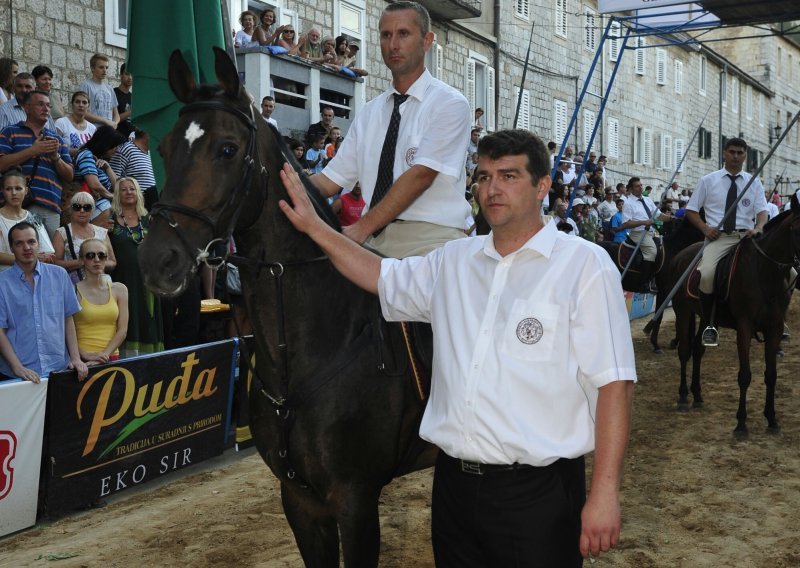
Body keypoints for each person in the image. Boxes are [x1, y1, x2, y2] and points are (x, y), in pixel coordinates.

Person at [277, 128, 635, 566]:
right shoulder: (451, 261)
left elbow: (614, 385)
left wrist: (604, 494)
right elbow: (378, 275)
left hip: (538, 496)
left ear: (543, 185)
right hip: (454, 491)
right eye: (483, 177)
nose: (492, 188)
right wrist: (316, 227)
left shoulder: (584, 266)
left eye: (509, 176)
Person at [308, 2, 471, 258]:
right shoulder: (369, 112)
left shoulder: (449, 104)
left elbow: (421, 176)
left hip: (432, 239)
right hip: (373, 239)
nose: (393, 44)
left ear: (427, 40)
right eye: (386, 35)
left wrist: (360, 229)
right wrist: (280, 183)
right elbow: (329, 180)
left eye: (403, 34)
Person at [685, 137, 768, 346]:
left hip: (746, 237)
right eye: (732, 152)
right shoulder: (708, 180)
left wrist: (758, 228)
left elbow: (762, 212)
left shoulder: (753, 181)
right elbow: (691, 210)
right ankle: (709, 324)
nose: (736, 156)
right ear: (724, 153)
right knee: (707, 274)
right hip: (719, 237)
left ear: (745, 155)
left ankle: (775, 320)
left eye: (740, 153)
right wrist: (705, 228)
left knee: (787, 272)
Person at [0, 221, 88, 383]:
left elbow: (68, 319)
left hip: (59, 369)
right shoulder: (2, 283)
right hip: (18, 376)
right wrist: (17, 367)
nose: (27, 248)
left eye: (31, 242)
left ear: (39, 244)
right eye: (19, 243)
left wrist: (75, 358)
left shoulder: (60, 275)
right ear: (11, 248)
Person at [0, 89, 74, 237]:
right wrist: (33, 150)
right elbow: (1, 164)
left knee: (50, 256)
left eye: (48, 105)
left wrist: (55, 157)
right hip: (19, 205)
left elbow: (70, 175)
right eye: (40, 104)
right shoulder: (10, 131)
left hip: (51, 206)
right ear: (26, 107)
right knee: (21, 250)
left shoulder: (57, 139)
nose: (46, 108)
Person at [108, 177, 164, 357]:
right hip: (122, 279)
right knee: (126, 318)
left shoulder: (149, 219)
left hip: (147, 281)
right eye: (124, 189)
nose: (128, 192)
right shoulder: (110, 218)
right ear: (117, 194)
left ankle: (151, 360)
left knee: (148, 318)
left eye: (132, 189)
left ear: (138, 192)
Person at [73, 238, 128, 364]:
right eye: (90, 255)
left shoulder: (120, 289)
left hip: (111, 357)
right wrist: (85, 355)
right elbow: (66, 331)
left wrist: (103, 356)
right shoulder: (72, 290)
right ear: (82, 260)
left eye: (101, 255)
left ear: (107, 258)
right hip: (83, 360)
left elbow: (122, 330)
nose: (96, 260)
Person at [619, 177, 673, 291]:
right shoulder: (628, 203)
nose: (640, 187)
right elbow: (626, 223)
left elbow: (659, 215)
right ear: (631, 189)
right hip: (638, 233)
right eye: (637, 186)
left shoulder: (647, 200)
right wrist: (644, 222)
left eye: (641, 185)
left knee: (663, 248)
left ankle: (658, 277)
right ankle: (644, 282)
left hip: (651, 232)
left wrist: (672, 218)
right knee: (651, 251)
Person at [53, 192, 117, 283]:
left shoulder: (102, 232)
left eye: (87, 207)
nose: (82, 211)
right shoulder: (61, 233)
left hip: (100, 285)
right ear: (71, 210)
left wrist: (96, 263)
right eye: (77, 207)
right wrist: (83, 262)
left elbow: (112, 261)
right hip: (73, 286)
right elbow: (55, 263)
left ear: (93, 210)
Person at [0, 168, 54, 271]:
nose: (14, 193)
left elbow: (48, 252)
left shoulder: (33, 218)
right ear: (3, 191)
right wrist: (31, 257)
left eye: (18, 188)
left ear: (26, 190)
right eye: (8, 189)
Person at [73, 124, 126, 225]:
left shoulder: (98, 160)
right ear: (106, 143)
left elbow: (118, 188)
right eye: (114, 146)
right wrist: (114, 198)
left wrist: (108, 168)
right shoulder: (86, 154)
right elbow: (95, 185)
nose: (116, 150)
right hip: (88, 210)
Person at [109, 128, 158, 210]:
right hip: (134, 207)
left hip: (151, 207)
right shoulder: (125, 149)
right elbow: (112, 179)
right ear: (147, 134)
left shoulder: (151, 153)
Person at [79, 53, 120, 128]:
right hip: (92, 130)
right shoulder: (86, 85)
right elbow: (83, 112)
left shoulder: (109, 88)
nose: (104, 70)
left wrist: (115, 123)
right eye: (101, 67)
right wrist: (105, 121)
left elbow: (116, 113)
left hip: (108, 131)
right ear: (92, 68)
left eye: (106, 67)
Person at [55, 91, 97, 158]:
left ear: (88, 106)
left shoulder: (92, 128)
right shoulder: (61, 123)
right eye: (77, 102)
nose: (81, 105)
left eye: (84, 102)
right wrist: (69, 152)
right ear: (72, 104)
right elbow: (55, 149)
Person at [114, 63, 134, 138]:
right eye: (127, 74)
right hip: (117, 138)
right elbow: (112, 119)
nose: (130, 77)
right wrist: (130, 112)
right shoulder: (113, 93)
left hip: (132, 139)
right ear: (121, 75)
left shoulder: (133, 97)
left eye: (132, 75)